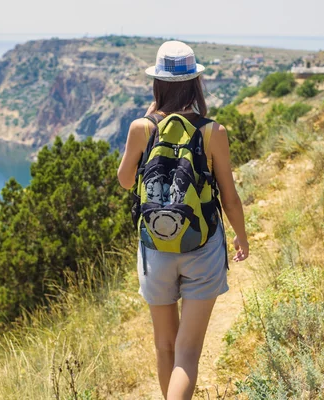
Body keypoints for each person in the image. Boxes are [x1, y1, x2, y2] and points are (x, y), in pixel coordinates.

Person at [117, 40, 249, 399]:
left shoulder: (140, 128)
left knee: (164, 346)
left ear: (156, 83)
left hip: (155, 251)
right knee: (186, 355)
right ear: (195, 83)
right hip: (202, 247)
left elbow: (126, 180)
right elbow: (229, 197)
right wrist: (241, 236)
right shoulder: (213, 132)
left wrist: (149, 118)